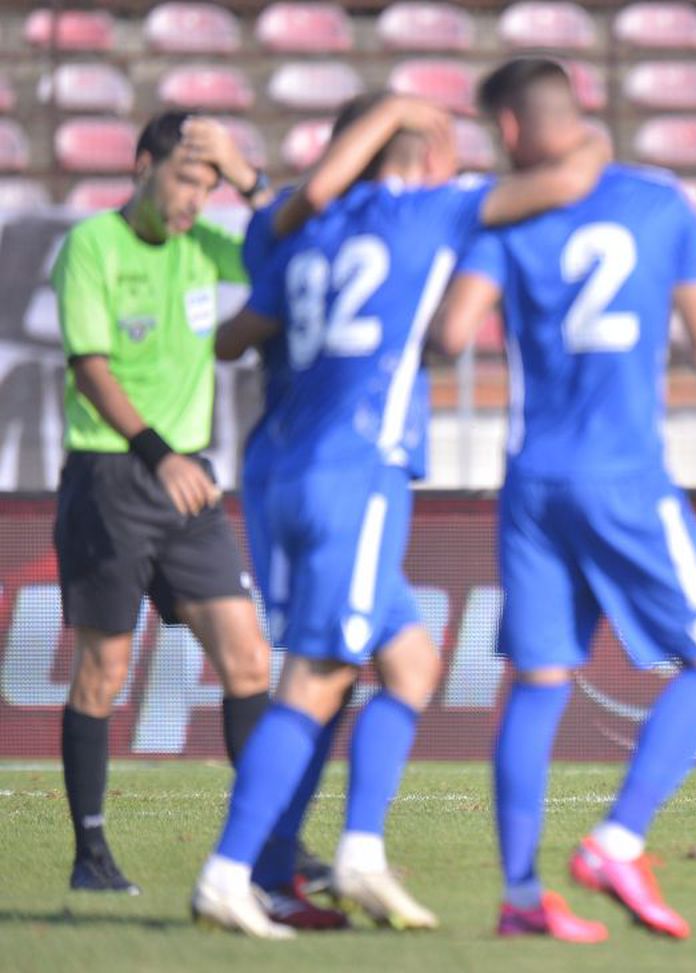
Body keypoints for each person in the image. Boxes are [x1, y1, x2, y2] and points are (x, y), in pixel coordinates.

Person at [191, 90, 613, 939]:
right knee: (317, 674)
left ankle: (346, 856)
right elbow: (572, 176)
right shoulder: (430, 209)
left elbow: (236, 335)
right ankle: (233, 871)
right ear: (420, 157)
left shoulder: (287, 219)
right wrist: (580, 126)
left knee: (409, 663)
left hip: (280, 465)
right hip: (355, 466)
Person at [432, 58, 696, 943]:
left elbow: (452, 333)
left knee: (535, 685)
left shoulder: (509, 214)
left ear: (515, 130)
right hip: (622, 477)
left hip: (531, 482)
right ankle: (616, 838)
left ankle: (520, 895)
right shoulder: (658, 206)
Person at [52, 112, 275, 894]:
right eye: (186, 179)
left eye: (208, 188)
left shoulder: (203, 245)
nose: (193, 202)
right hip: (114, 477)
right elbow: (89, 365)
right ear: (143, 166)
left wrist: (247, 179)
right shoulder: (92, 246)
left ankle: (267, 847)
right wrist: (159, 454)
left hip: (189, 482)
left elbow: (287, 241)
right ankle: (91, 855)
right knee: (104, 670)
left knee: (249, 658)